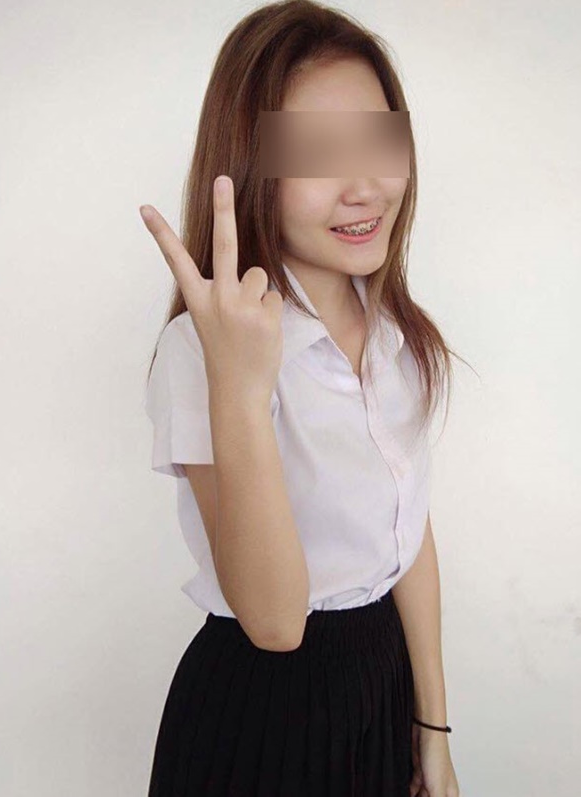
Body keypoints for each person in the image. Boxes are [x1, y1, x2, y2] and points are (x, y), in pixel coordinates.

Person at [140, 2, 463, 795]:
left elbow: (407, 534)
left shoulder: (393, 329)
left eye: (380, 143)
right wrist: (241, 387)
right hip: (263, 714)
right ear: (251, 165)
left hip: (382, 684)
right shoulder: (200, 350)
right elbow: (277, 622)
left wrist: (433, 729)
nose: (365, 187)